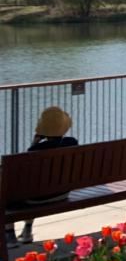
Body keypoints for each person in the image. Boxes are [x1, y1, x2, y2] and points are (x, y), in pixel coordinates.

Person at [4, 106, 78, 247]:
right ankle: (27, 231)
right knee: (32, 188)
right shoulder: (72, 143)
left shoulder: (36, 150)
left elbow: (25, 170)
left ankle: (10, 236)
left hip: (37, 199)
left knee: (9, 193)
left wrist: (34, 143)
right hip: (63, 194)